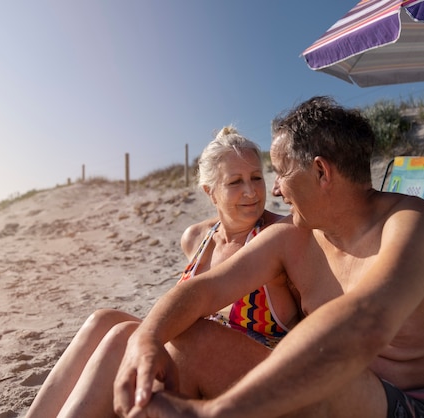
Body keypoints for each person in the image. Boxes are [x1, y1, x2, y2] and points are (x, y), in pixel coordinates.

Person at [114, 96, 424, 417]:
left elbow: (366, 320)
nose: (276, 189)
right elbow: (204, 290)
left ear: (321, 172)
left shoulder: (411, 223)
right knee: (190, 339)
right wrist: (147, 338)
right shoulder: (296, 235)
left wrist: (219, 411)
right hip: (333, 392)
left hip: (413, 408)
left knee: (326, 374)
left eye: (281, 171)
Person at [25, 126, 301, 417]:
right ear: (211, 193)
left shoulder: (279, 235)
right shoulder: (196, 238)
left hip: (256, 372)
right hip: (194, 358)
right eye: (235, 182)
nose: (250, 191)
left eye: (257, 177)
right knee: (103, 321)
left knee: (130, 336)